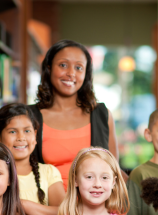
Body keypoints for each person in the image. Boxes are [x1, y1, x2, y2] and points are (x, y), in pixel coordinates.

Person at [28, 39, 120, 190]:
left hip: (94, 207)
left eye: (79, 67)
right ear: (49, 68)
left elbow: (114, 171)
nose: (71, 73)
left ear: (86, 74)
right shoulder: (29, 116)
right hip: (46, 208)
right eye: (63, 65)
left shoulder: (102, 115)